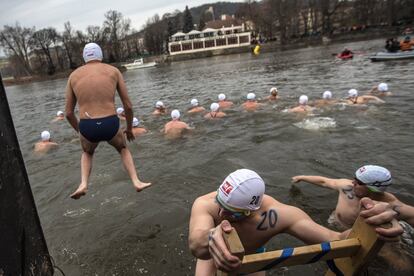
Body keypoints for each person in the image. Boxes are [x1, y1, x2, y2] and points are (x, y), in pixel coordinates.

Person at [189, 169, 402, 275]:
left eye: (232, 213)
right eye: (220, 204)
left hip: (251, 253)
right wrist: (209, 237)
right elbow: (196, 244)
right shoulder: (204, 204)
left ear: (252, 209)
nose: (221, 214)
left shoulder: (280, 214)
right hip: (210, 248)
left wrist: (372, 226)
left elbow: (336, 238)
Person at [65, 42, 151, 199]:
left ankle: (83, 183)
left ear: (84, 57)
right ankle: (136, 181)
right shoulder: (113, 71)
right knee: (123, 149)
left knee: (87, 152)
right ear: (100, 55)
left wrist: (81, 131)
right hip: (110, 123)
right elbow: (128, 106)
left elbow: (68, 113)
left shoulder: (73, 76)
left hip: (87, 125)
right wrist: (129, 128)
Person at [291, 165, 402, 229]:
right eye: (354, 178)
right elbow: (324, 181)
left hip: (351, 232)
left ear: (372, 188)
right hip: (333, 222)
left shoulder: (388, 204)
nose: (352, 182)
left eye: (358, 182)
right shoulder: (347, 186)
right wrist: (302, 177)